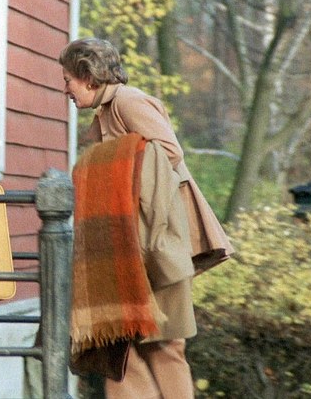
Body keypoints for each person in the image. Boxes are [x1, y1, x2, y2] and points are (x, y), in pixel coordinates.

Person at [59, 37, 232, 398]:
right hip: (127, 246)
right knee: (122, 346)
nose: (66, 90)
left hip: (155, 242)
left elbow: (168, 151)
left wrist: (104, 166)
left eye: (68, 81)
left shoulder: (128, 101)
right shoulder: (106, 111)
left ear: (87, 77)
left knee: (165, 344)